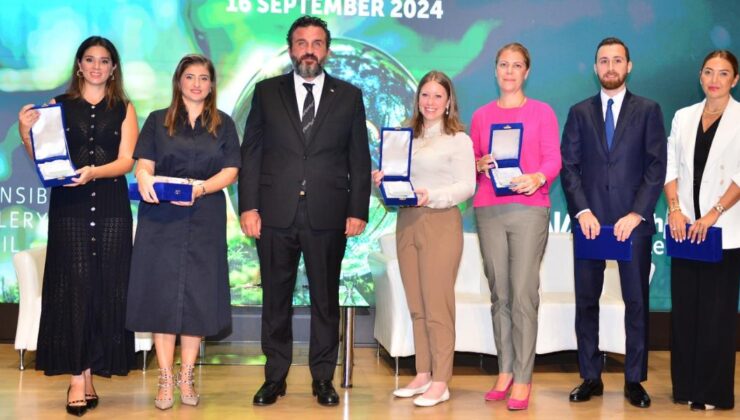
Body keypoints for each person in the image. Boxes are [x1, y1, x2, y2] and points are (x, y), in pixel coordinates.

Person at [238, 15, 371, 407]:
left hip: (328, 214)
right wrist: (249, 205)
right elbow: (252, 153)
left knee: (325, 302)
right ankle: (274, 378)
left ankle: (323, 379)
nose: (308, 50)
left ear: (327, 50)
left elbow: (359, 159)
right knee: (275, 300)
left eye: (316, 43)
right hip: (275, 213)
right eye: (301, 42)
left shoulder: (348, 96)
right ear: (290, 48)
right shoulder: (266, 93)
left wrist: (357, 209)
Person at [17, 35, 138, 416]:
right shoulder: (57, 107)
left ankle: (89, 375)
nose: (97, 66)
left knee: (104, 289)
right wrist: (25, 131)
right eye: (90, 59)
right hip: (69, 207)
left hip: (112, 208)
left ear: (113, 67)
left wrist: (93, 172)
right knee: (73, 289)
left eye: (104, 60)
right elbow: (43, 159)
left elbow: (126, 162)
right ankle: (76, 377)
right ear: (79, 65)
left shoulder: (124, 107)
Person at [126, 54, 240, 410]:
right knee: (162, 297)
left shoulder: (224, 124)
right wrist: (144, 176)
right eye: (189, 77)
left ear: (211, 84)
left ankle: (187, 376)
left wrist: (200, 189)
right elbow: (143, 163)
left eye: (203, 78)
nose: (196, 83)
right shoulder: (157, 121)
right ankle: (164, 378)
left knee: (197, 297)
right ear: (179, 81)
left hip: (204, 215)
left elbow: (232, 169)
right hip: (160, 218)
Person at [560, 37, 666, 408]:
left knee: (636, 303)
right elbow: (569, 168)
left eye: (617, 60)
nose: (610, 67)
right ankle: (591, 376)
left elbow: (656, 166)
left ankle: (634, 380)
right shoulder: (579, 112)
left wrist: (637, 213)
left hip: (631, 225)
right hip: (589, 223)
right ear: (595, 68)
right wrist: (583, 211)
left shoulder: (649, 110)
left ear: (629, 66)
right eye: (603, 61)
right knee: (586, 301)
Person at [372, 71, 475, 407]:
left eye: (437, 97)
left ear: (449, 103)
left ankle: (441, 380)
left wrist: (431, 195)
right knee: (417, 305)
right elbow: (396, 191)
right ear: (418, 100)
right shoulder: (405, 139)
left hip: (441, 223)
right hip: (407, 223)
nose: (430, 103)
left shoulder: (458, 140)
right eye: (425, 96)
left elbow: (466, 186)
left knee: (437, 306)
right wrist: (382, 183)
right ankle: (423, 373)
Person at [470, 42, 561, 411]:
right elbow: (473, 160)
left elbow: (553, 158)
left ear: (527, 72)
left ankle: (523, 378)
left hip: (528, 210)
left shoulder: (542, 112)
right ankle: (504, 370)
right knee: (500, 295)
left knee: (523, 295)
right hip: (489, 209)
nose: (509, 71)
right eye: (503, 65)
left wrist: (538, 176)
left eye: (516, 65)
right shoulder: (480, 116)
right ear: (495, 71)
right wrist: (477, 164)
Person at [665, 50, 740, 411]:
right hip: (684, 230)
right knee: (686, 311)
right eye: (709, 71)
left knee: (717, 313)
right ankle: (686, 388)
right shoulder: (683, 117)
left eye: (723, 73)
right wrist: (675, 210)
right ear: (700, 76)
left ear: (734, 80)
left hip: (722, 230)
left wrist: (713, 213)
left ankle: (713, 392)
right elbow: (670, 168)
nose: (715, 79)